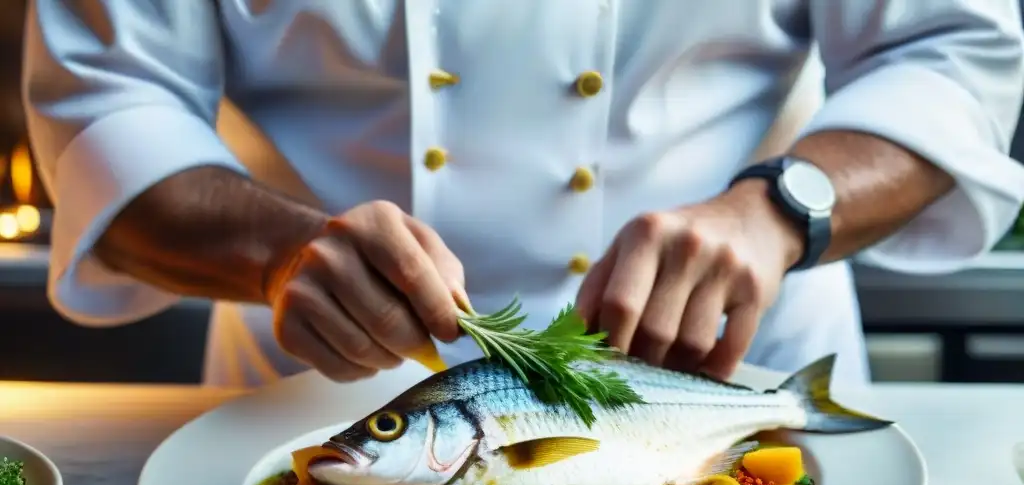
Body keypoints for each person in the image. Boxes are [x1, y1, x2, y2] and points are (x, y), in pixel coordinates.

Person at [21, 1, 1024, 389]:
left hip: (739, 373)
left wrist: (780, 209)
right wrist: (280, 254)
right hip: (321, 396)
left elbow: (951, 46)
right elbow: (105, 103)